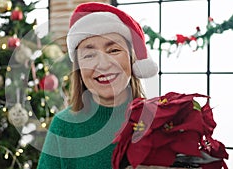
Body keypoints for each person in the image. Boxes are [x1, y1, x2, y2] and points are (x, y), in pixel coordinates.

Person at [37, 2, 158, 169]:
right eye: (89, 55)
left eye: (114, 50)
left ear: (131, 59)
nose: (103, 65)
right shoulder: (63, 126)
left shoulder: (160, 119)